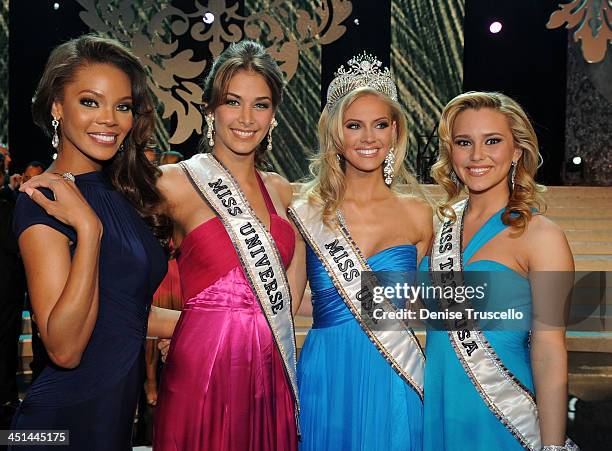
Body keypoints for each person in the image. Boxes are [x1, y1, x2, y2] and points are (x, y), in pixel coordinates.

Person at [10, 35, 179, 450]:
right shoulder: (43, 198)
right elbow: (65, 348)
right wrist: (88, 230)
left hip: (113, 421)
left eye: (122, 106)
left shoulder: (120, 193)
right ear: (56, 106)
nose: (110, 119)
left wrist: (232, 324)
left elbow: (124, 310)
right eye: (90, 101)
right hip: (58, 428)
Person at [153, 40, 300, 450]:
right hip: (204, 366)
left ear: (273, 115)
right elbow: (116, 292)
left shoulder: (281, 191)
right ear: (210, 109)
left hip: (270, 372)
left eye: (261, 104)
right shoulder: (172, 183)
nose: (246, 118)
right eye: (233, 102)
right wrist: (188, 326)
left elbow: (292, 296)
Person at [288, 53, 431, 450]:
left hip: (395, 373)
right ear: (336, 134)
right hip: (328, 370)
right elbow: (286, 301)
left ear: (395, 130)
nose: (369, 138)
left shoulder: (420, 215)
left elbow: (432, 304)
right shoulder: (306, 211)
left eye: (380, 124)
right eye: (354, 125)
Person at [421, 91, 576, 450]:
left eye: (492, 141)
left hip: (505, 416)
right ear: (451, 152)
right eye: (464, 142)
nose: (477, 156)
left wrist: (552, 447)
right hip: (439, 412)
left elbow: (550, 350)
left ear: (517, 151)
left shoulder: (542, 236)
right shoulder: (436, 228)